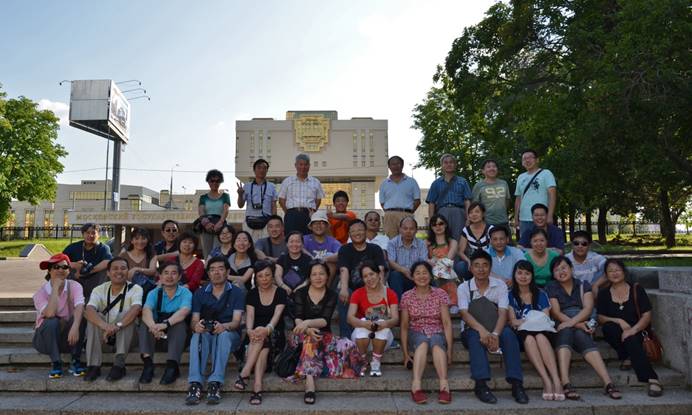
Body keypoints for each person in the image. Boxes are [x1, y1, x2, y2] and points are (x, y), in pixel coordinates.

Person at [546, 256, 622, 400]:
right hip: (562, 323)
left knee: (580, 334)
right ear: (553, 274)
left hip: (579, 320)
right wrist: (576, 324)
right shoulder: (551, 287)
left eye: (564, 268)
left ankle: (608, 382)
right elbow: (556, 313)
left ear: (571, 269)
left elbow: (588, 309)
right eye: (556, 270)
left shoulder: (583, 285)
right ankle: (565, 382)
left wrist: (575, 323)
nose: (561, 272)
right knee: (566, 331)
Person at [458, 250, 528, 405]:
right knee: (475, 338)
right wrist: (482, 331)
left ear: (490, 268)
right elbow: (464, 314)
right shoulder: (463, 287)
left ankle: (517, 384)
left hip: (496, 325)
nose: (481, 269)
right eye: (477, 265)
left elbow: (503, 312)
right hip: (472, 329)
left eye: (485, 265)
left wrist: (495, 334)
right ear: (471, 268)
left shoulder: (500, 285)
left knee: (509, 335)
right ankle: (481, 384)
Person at [291, 260, 365, 404]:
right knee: (310, 339)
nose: (318, 277)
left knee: (348, 344)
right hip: (300, 335)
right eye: (314, 274)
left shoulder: (331, 294)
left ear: (327, 276)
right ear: (309, 277)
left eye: (321, 274)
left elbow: (325, 320)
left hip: (323, 335)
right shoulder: (300, 293)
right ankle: (310, 385)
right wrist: (307, 328)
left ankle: (319, 366)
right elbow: (298, 318)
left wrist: (308, 322)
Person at [597, 259, 662, 397]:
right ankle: (628, 356)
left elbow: (646, 315)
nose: (614, 273)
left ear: (624, 272)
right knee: (608, 328)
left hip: (638, 329)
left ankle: (651, 377)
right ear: (606, 275)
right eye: (610, 271)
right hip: (617, 332)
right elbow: (600, 317)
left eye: (617, 270)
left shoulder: (636, 289)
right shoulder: (603, 293)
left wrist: (632, 330)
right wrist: (619, 321)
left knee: (630, 338)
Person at [185, 256, 244, 405]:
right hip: (207, 333)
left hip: (229, 334)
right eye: (212, 270)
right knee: (197, 335)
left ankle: (215, 382)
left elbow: (236, 322)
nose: (216, 273)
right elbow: (194, 320)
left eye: (220, 269)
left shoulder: (237, 292)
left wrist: (224, 326)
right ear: (208, 273)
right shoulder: (200, 293)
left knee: (223, 336)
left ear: (227, 272)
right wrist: (196, 326)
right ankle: (195, 383)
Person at [507, 260, 564, 400]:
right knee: (530, 338)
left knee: (539, 337)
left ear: (532, 276)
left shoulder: (541, 293)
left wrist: (525, 321)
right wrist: (529, 321)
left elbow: (545, 318)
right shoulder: (510, 295)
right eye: (520, 273)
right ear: (514, 275)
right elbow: (512, 321)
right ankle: (546, 380)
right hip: (523, 334)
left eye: (527, 273)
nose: (523, 276)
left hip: (543, 331)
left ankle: (556, 380)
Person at [400, 261, 453, 404]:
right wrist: (405, 354)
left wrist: (449, 350)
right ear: (412, 277)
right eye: (417, 273)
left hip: (437, 330)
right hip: (416, 331)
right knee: (422, 342)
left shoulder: (440, 294)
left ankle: (444, 386)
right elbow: (404, 326)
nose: (421, 276)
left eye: (425, 273)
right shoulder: (406, 296)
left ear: (431, 275)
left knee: (436, 341)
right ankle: (416, 386)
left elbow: (447, 323)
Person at [236, 260, 288, 405]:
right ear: (256, 277)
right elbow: (250, 316)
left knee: (261, 336)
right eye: (260, 276)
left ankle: (245, 372)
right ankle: (257, 387)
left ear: (273, 276)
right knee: (261, 342)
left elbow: (277, 316)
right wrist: (249, 331)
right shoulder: (252, 294)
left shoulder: (281, 292)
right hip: (254, 335)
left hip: (274, 333)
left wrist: (267, 329)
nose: (264, 279)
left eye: (267, 275)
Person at [83, 257, 143, 382]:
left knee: (126, 315)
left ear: (128, 271)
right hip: (104, 337)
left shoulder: (136, 288)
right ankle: (93, 366)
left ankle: (119, 365)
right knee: (95, 317)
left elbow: (136, 309)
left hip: (128, 338)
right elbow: (88, 310)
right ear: (108, 273)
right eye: (115, 268)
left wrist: (117, 326)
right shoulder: (99, 289)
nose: (119, 271)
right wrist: (105, 326)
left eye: (123, 268)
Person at [32, 253, 86, 378]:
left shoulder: (75, 286)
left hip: (68, 338)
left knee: (80, 317)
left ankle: (75, 360)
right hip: (45, 340)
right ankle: (56, 362)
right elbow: (50, 313)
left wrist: (75, 327)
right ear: (49, 271)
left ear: (69, 271)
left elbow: (80, 306)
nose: (60, 270)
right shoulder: (40, 293)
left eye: (64, 267)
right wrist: (55, 288)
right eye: (56, 267)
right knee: (51, 321)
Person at [138, 262, 192, 385]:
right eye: (166, 273)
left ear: (179, 277)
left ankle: (172, 366)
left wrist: (165, 324)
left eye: (174, 273)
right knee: (144, 323)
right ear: (160, 276)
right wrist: (153, 327)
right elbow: (146, 311)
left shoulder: (185, 293)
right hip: (157, 336)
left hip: (178, 338)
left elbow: (184, 311)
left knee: (179, 324)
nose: (169, 276)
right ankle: (148, 365)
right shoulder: (154, 293)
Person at [347, 261, 399, 377]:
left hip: (383, 339)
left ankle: (376, 362)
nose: (369, 278)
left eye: (372, 274)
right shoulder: (357, 293)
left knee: (382, 323)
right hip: (362, 338)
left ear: (379, 274)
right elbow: (349, 318)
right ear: (362, 279)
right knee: (361, 326)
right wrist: (364, 323)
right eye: (365, 276)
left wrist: (384, 324)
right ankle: (361, 360)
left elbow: (395, 319)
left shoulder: (390, 293)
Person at [337, 219, 387, 338]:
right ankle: (346, 338)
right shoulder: (345, 249)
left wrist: (379, 289)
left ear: (365, 231)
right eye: (353, 231)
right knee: (343, 294)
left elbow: (380, 270)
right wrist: (344, 288)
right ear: (349, 234)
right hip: (352, 286)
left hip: (372, 286)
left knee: (382, 295)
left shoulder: (375, 248)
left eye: (360, 230)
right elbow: (344, 270)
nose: (357, 233)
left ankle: (376, 334)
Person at [426, 154, 472, 240]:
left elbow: (467, 201)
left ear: (455, 165)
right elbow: (431, 203)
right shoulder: (436, 183)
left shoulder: (463, 182)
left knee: (460, 237)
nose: (448, 164)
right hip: (442, 212)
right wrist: (431, 219)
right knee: (442, 238)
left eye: (451, 162)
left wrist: (468, 218)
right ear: (442, 165)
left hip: (459, 212)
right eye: (446, 162)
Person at [63, 223, 113, 300]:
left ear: (98, 235)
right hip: (75, 278)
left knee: (107, 269)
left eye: (93, 233)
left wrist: (89, 271)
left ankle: (97, 298)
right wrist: (74, 265)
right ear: (83, 234)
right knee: (61, 268)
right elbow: (59, 260)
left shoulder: (103, 248)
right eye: (87, 233)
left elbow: (108, 261)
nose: (90, 235)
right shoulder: (73, 247)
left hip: (94, 279)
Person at [278, 153, 325, 235]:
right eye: (300, 164)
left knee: (309, 238)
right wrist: (288, 212)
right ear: (296, 165)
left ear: (309, 166)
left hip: (309, 215)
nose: (303, 167)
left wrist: (313, 211)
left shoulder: (315, 182)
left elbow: (318, 199)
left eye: (306, 164)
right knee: (291, 238)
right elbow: (281, 199)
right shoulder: (287, 181)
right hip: (292, 216)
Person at [514, 149, 557, 238]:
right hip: (524, 219)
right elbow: (518, 199)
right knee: (525, 244)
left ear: (537, 160)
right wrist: (516, 218)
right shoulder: (520, 177)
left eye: (530, 157)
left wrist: (550, 215)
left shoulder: (546, 173)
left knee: (542, 243)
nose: (527, 160)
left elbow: (552, 195)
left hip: (541, 218)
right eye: (524, 159)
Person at [379, 155, 421, 238]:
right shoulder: (384, 183)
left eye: (398, 163)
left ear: (402, 165)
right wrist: (391, 212)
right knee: (391, 240)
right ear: (389, 167)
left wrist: (408, 212)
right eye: (393, 164)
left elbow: (417, 200)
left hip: (407, 214)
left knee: (407, 239)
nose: (395, 166)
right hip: (390, 216)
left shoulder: (411, 182)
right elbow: (382, 202)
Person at [387, 216, 428, 300]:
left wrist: (415, 274)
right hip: (400, 275)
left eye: (411, 229)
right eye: (405, 228)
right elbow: (391, 261)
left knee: (427, 275)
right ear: (400, 229)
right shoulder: (392, 243)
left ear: (416, 230)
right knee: (395, 275)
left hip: (416, 275)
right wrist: (404, 271)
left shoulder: (421, 244)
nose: (408, 231)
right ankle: (398, 305)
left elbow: (423, 262)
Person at [237, 158, 278, 241]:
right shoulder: (247, 186)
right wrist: (240, 195)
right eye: (259, 167)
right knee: (249, 245)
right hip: (249, 221)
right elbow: (240, 205)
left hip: (266, 222)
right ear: (254, 170)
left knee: (265, 245)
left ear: (267, 170)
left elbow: (273, 206)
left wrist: (273, 221)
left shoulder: (272, 186)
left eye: (264, 168)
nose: (262, 170)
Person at [426, 214, 460, 312]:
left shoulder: (452, 242)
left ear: (445, 225)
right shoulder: (427, 243)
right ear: (431, 227)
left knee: (445, 271)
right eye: (434, 224)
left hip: (448, 268)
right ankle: (438, 304)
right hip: (432, 270)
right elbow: (424, 259)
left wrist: (434, 260)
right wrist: (430, 261)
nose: (438, 226)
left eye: (441, 223)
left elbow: (448, 259)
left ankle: (453, 303)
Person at [198, 169, 231, 258]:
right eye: (212, 181)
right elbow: (201, 211)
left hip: (220, 227)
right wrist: (206, 223)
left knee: (219, 252)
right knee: (207, 253)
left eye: (217, 181)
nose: (214, 183)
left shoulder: (225, 196)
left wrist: (220, 223)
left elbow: (226, 210)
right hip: (206, 227)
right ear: (208, 182)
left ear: (221, 182)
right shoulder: (203, 197)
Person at [456, 202, 494, 279]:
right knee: (460, 266)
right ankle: (470, 282)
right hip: (473, 261)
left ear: (483, 214)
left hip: (489, 260)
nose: (473, 214)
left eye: (477, 211)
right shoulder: (466, 230)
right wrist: (468, 261)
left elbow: (494, 249)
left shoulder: (491, 229)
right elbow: (460, 251)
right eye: (471, 212)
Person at [472, 159, 512, 229]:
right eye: (488, 167)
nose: (492, 168)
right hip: (486, 223)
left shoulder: (504, 183)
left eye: (494, 166)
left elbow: (507, 200)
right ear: (483, 171)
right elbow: (474, 205)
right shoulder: (478, 185)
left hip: (503, 221)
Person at [567, 230, 607, 297]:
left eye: (584, 244)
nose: (580, 246)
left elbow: (610, 270)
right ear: (572, 245)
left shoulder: (596, 258)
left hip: (594, 292)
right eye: (576, 243)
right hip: (573, 295)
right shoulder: (566, 260)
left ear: (589, 245)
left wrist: (596, 285)